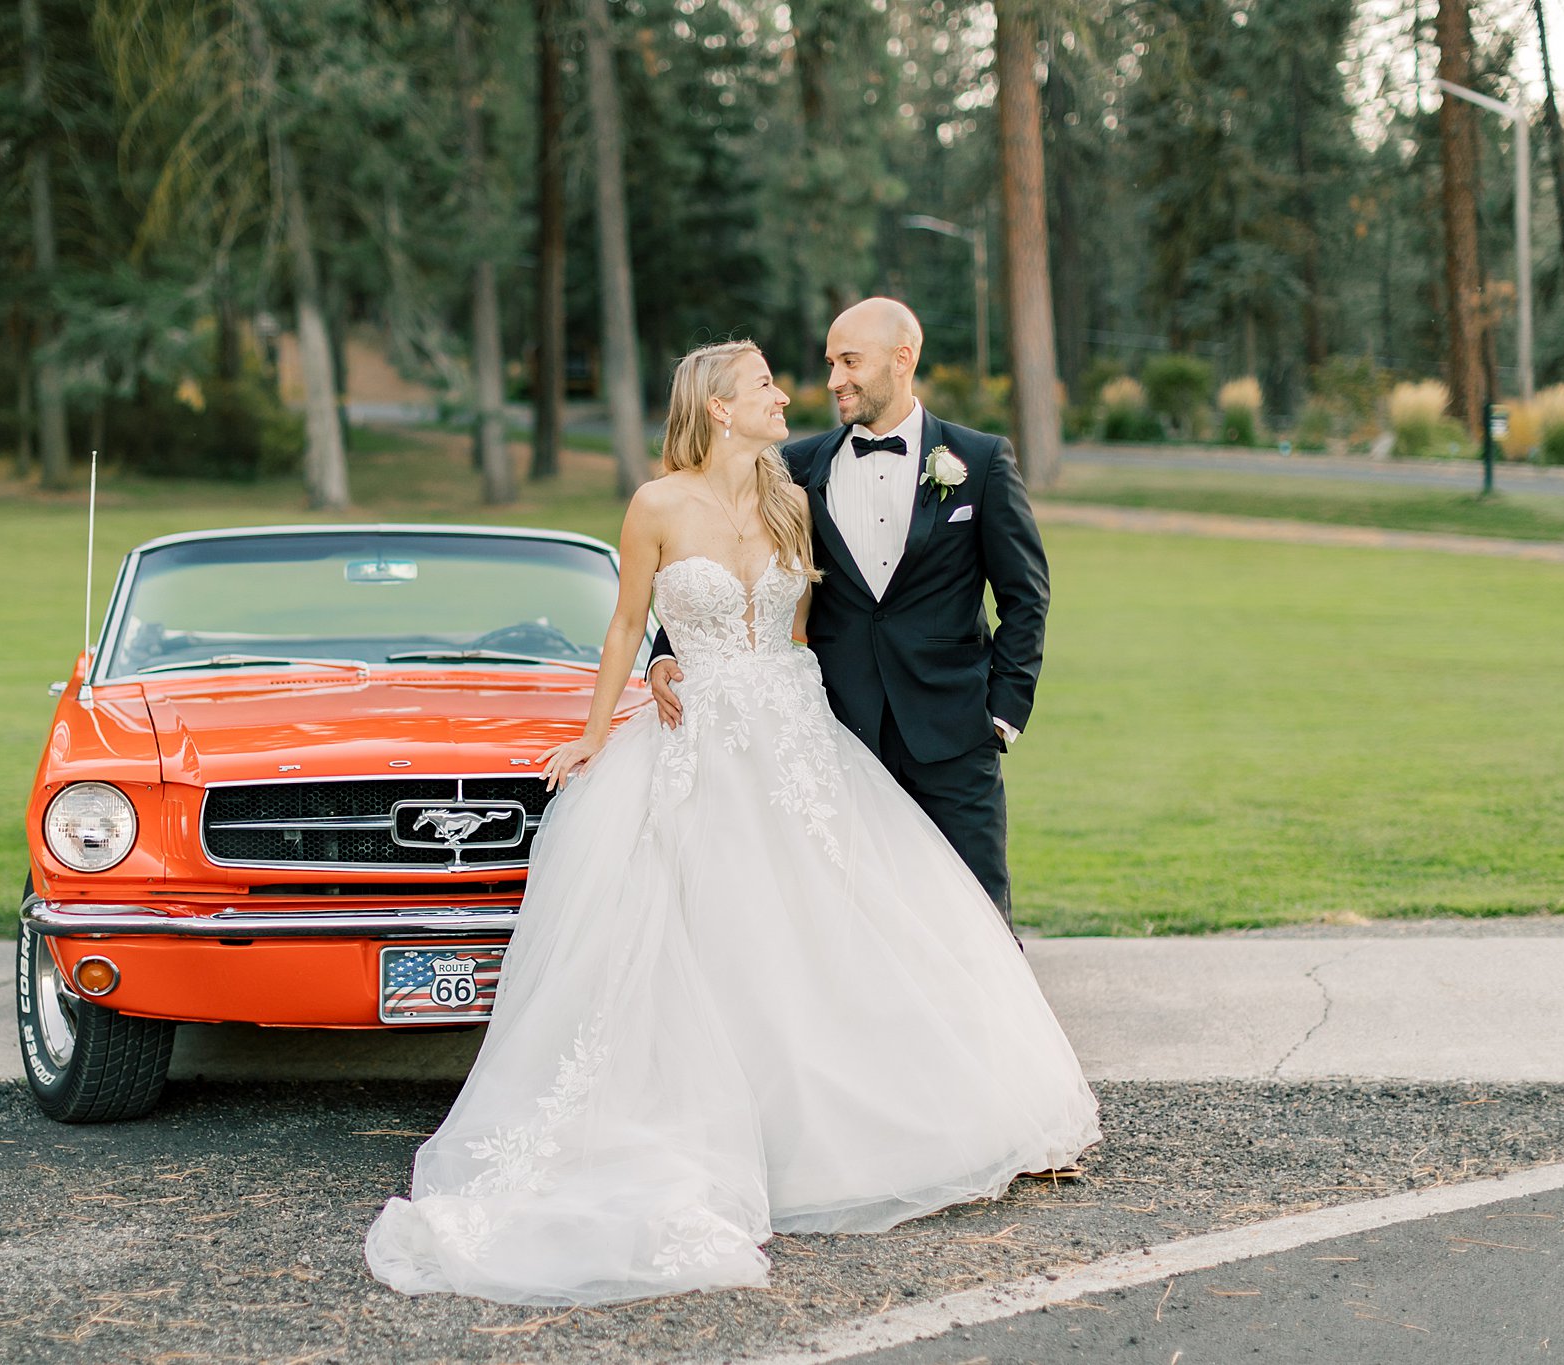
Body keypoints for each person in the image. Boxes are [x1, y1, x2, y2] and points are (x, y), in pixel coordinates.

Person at [362, 339, 1099, 1307]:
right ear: (717, 405)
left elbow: (800, 628)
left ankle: (864, 1120)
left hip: (798, 737)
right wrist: (607, 723)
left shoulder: (791, 492)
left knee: (828, 925)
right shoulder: (655, 504)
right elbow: (630, 625)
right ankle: (717, 1135)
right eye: (763, 384)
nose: (787, 392)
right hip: (703, 736)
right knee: (712, 930)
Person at [650, 299, 1044, 926]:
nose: (834, 379)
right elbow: (719, 557)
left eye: (850, 362)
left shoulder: (982, 462)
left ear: (902, 359)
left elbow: (1025, 597)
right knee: (856, 925)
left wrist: (1002, 715)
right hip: (836, 732)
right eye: (831, 362)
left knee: (980, 921)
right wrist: (666, 650)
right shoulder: (796, 467)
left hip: (954, 735)